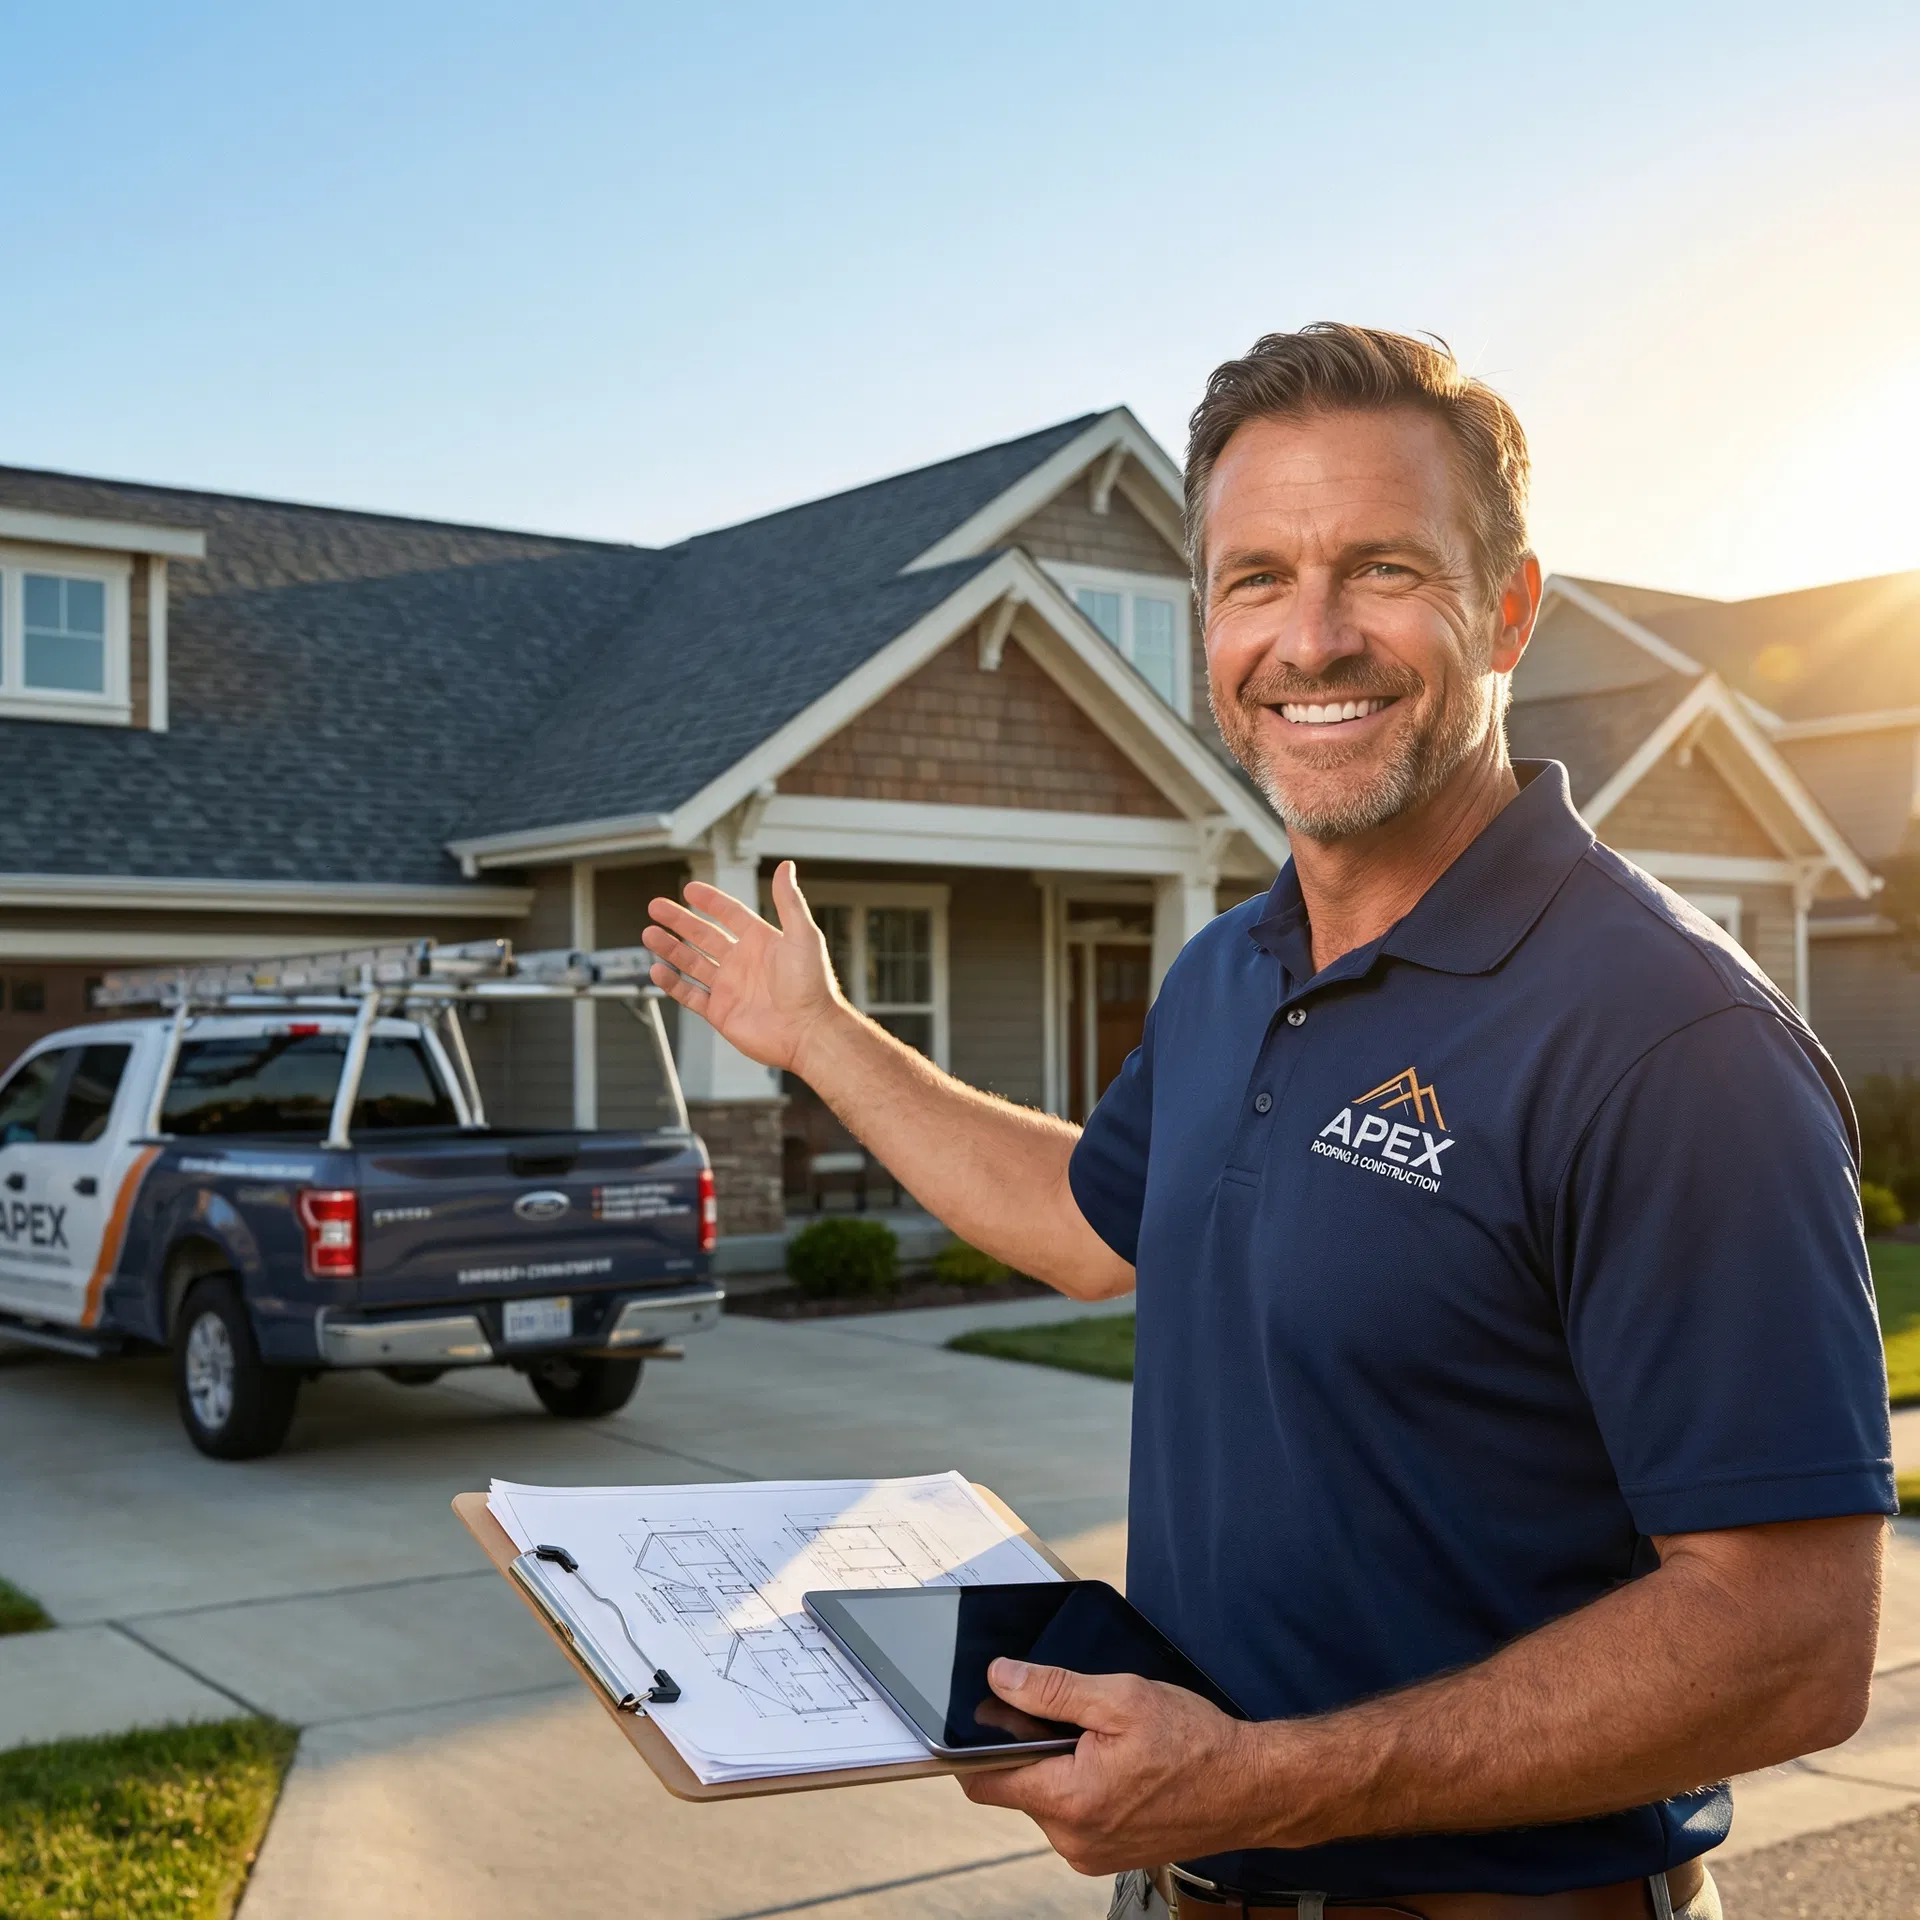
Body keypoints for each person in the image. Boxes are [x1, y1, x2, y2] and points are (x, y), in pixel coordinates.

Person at [642, 325, 1892, 1920]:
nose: (1310, 641)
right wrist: (820, 1036)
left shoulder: (1669, 1040)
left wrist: (1280, 1780)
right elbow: (1091, 1226)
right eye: (1252, 580)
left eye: (1381, 570)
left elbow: (1788, 1643)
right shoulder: (1234, 966)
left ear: (1508, 609)